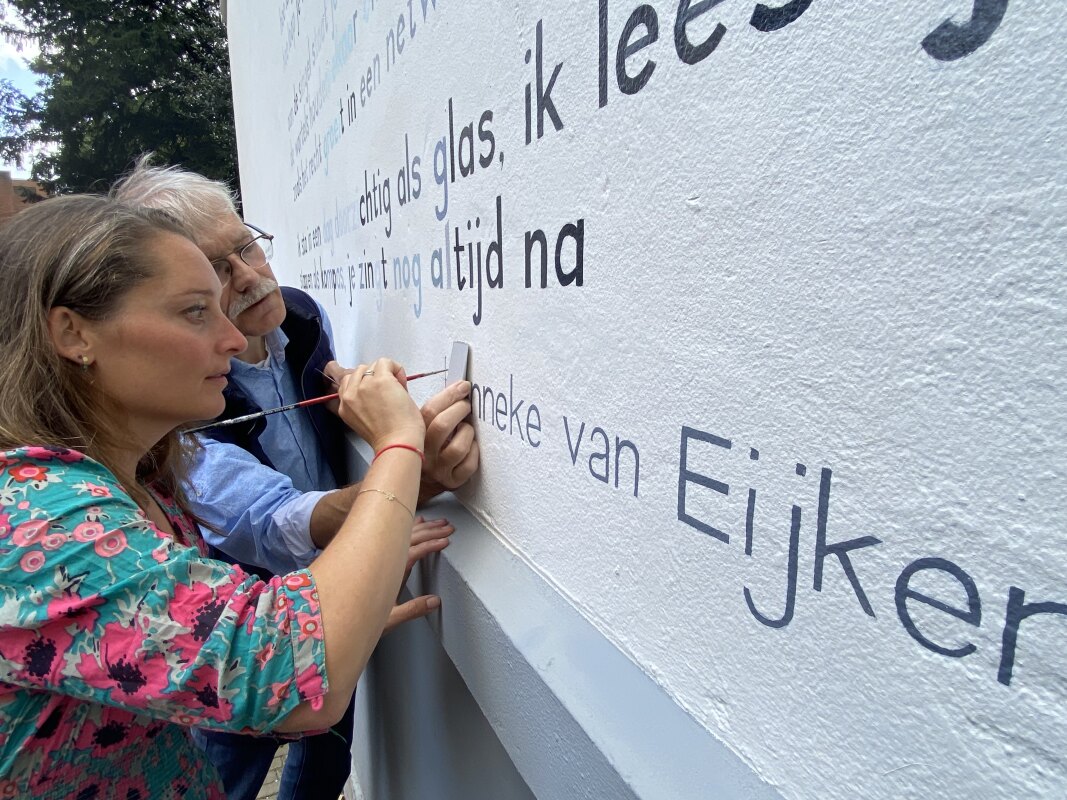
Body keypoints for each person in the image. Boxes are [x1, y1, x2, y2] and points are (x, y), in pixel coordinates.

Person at [0, 195, 432, 798]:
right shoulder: (38, 515)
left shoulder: (141, 472)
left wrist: (343, 602)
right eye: (196, 311)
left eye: (248, 249)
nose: (233, 338)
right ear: (74, 333)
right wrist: (400, 443)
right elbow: (296, 679)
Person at [110, 157, 479, 798]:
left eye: (247, 246)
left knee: (327, 761)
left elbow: (318, 378)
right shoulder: (180, 408)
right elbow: (269, 522)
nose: (251, 279)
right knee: (226, 772)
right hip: (248, 615)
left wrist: (350, 389)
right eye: (215, 277)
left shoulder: (298, 317)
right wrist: (403, 472)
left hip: (336, 587)